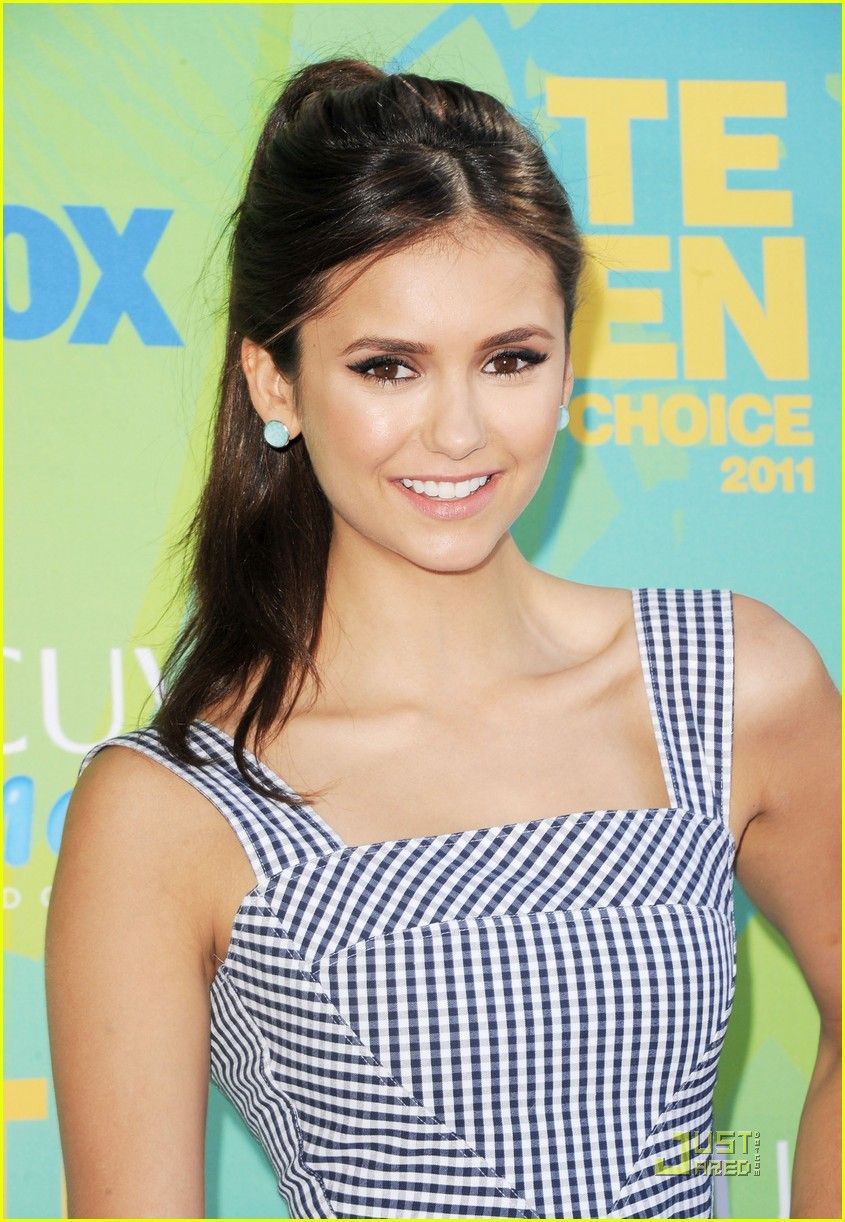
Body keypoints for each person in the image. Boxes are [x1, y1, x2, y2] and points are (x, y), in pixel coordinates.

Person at [45, 57, 840, 1220]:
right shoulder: (171, 808)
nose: (459, 431)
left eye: (510, 358)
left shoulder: (729, 684)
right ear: (274, 382)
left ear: (566, 363)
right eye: (387, 367)